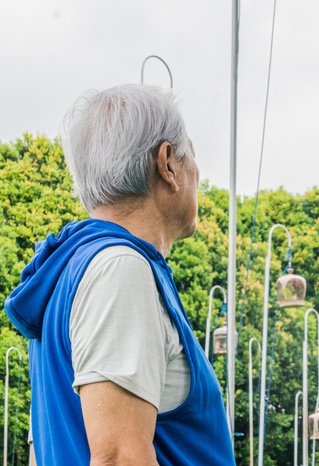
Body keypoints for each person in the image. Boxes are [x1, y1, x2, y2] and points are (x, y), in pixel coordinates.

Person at [4, 85, 235, 465]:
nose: (197, 172)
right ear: (168, 164)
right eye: (191, 155)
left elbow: (42, 448)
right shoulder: (119, 270)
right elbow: (117, 457)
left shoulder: (66, 274)